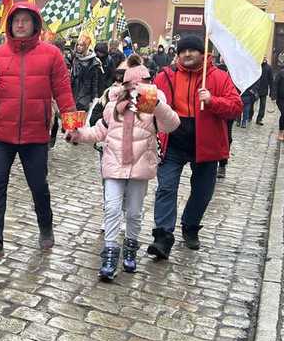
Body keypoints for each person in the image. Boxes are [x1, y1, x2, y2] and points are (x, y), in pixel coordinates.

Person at [0, 2, 75, 259]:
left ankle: (45, 226)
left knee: (38, 186)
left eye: (26, 20)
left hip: (35, 134)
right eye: (16, 20)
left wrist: (72, 124)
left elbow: (62, 91)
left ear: (35, 24)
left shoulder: (52, 55)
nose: (20, 24)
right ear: (9, 24)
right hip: (1, 135)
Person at [67, 62, 179, 280]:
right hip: (113, 163)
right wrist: (78, 135)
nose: (136, 88)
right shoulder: (113, 104)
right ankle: (110, 252)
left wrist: (157, 105)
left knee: (135, 212)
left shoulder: (155, 103)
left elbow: (172, 125)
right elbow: (100, 131)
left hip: (140, 166)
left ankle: (130, 247)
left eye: (142, 83)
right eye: (132, 84)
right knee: (111, 208)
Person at [148, 35, 242, 259]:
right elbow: (147, 106)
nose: (187, 54)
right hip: (173, 142)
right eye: (183, 51)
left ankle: (190, 226)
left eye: (192, 50)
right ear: (177, 54)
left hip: (206, 145)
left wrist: (212, 101)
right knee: (166, 188)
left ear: (203, 53)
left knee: (202, 192)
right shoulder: (165, 76)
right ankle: (162, 237)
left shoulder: (218, 77)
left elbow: (236, 107)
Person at [71, 36, 101, 112]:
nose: (78, 47)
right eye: (78, 45)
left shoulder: (93, 62)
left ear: (86, 46)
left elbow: (95, 81)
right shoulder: (75, 58)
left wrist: (94, 97)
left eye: (81, 45)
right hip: (73, 92)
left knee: (81, 119)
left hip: (85, 95)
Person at [255, 57, 273, 125]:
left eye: (265, 58)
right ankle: (249, 116)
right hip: (256, 89)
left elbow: (271, 80)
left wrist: (271, 92)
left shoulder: (269, 68)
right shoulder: (257, 66)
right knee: (251, 104)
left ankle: (259, 119)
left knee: (262, 105)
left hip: (264, 90)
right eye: (263, 57)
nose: (264, 59)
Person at [273, 65, 284, 141]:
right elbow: (275, 84)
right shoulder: (281, 73)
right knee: (283, 114)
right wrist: (274, 96)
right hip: (281, 98)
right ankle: (280, 133)